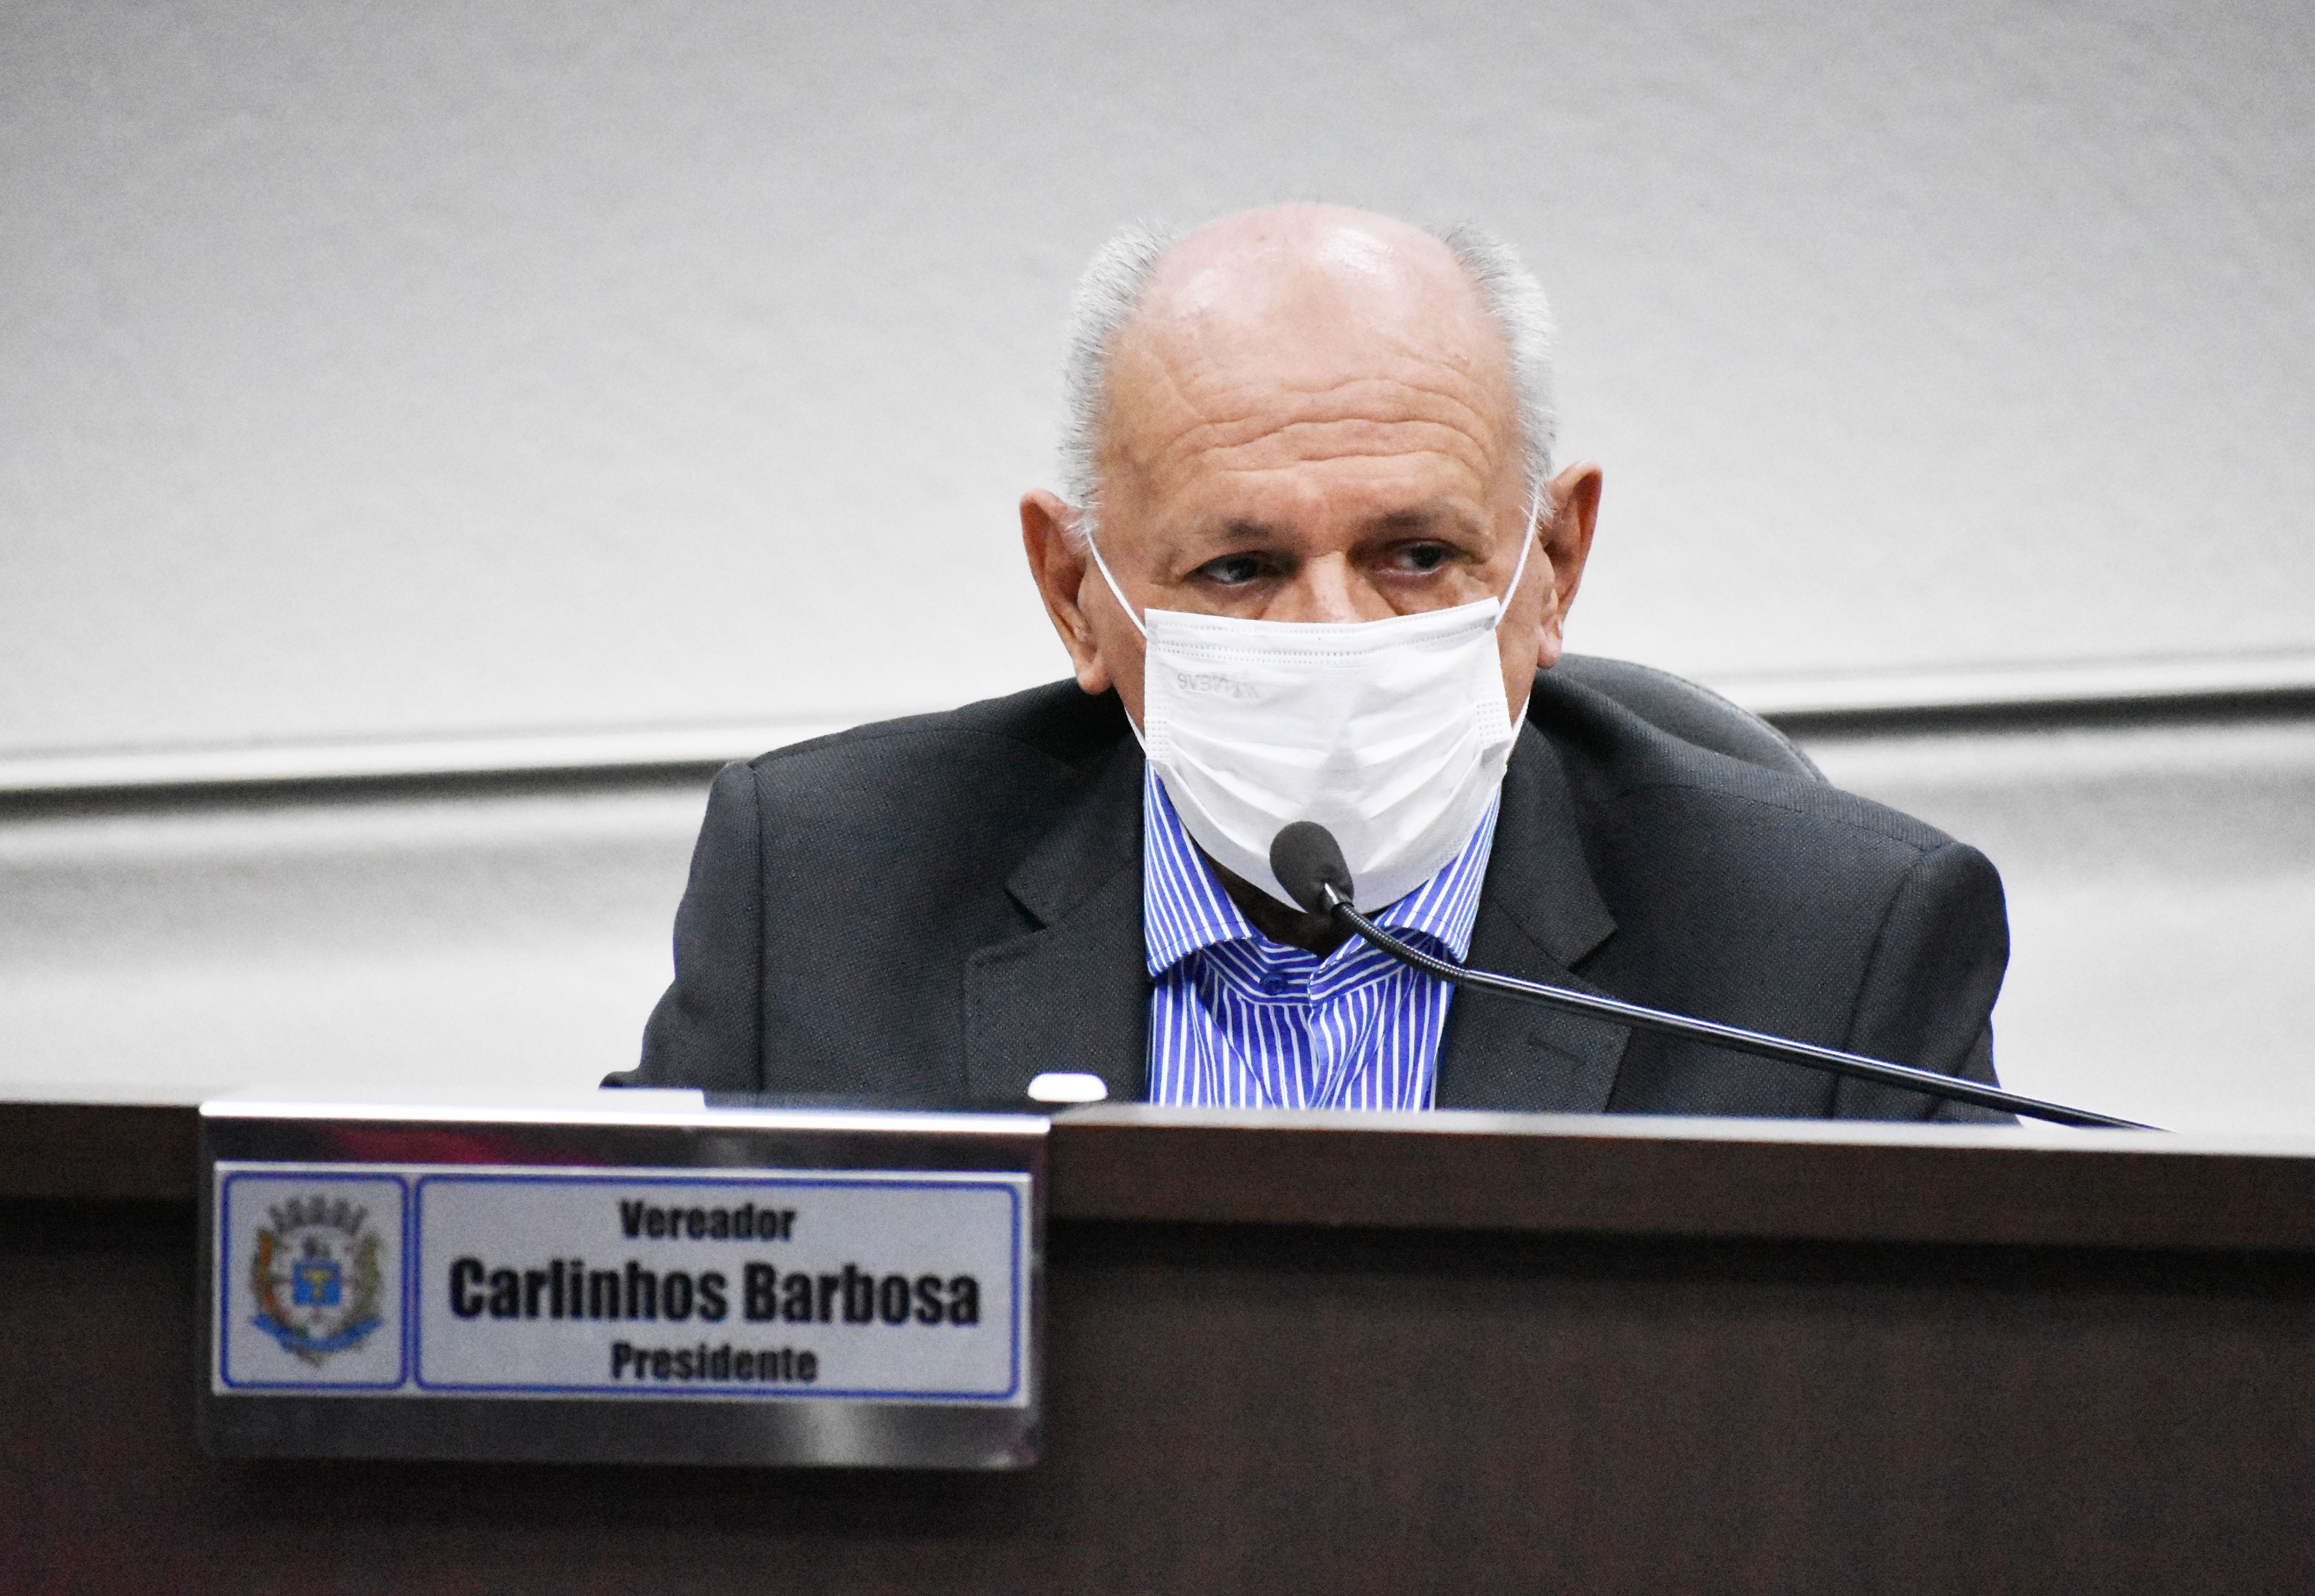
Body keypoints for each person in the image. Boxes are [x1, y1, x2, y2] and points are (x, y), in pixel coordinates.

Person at [606, 203, 2009, 1119]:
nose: (1335, 635)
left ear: (1554, 564)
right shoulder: (819, 896)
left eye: (1417, 555)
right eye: (1241, 568)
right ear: (1077, 596)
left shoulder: (1836, 954)